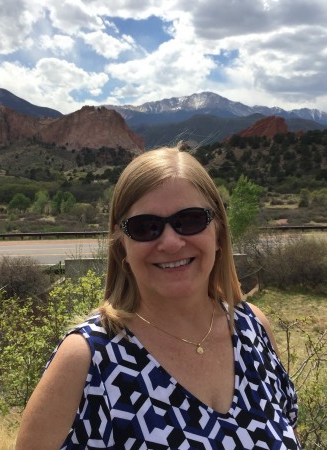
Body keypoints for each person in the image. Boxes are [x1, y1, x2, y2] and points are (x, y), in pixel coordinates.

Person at [16, 146, 301, 449]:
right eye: (145, 227)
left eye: (190, 220)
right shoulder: (88, 360)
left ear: (218, 231)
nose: (170, 242)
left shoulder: (254, 329)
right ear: (121, 244)